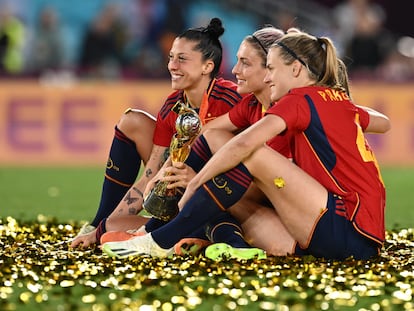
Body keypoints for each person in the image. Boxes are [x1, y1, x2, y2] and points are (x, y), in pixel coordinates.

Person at [102, 31, 389, 261]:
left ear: (297, 69)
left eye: (273, 69)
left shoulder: (299, 100)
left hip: (343, 226)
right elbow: (383, 122)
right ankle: (207, 239)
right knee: (223, 148)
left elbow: (245, 143)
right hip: (358, 234)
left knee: (250, 153)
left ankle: (160, 238)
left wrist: (196, 181)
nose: (268, 77)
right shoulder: (331, 100)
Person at [70, 17, 242, 248]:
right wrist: (100, 228)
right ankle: (179, 235)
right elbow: (152, 173)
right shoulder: (172, 105)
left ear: (207, 66)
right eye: (171, 57)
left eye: (182, 59)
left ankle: (193, 235)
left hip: (226, 198)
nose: (172, 65)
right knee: (111, 226)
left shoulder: (231, 99)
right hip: (183, 201)